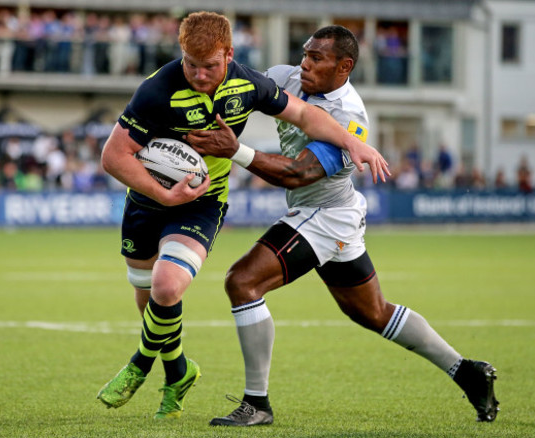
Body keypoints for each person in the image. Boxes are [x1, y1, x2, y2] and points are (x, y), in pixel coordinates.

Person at [186, 25, 499, 426]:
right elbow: (232, 85)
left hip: (326, 216)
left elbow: (299, 174)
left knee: (242, 282)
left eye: (318, 58)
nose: (305, 64)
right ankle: (468, 372)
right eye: (305, 54)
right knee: (373, 313)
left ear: (344, 66)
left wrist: (237, 151)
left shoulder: (350, 120)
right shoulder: (285, 77)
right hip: (329, 215)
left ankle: (257, 404)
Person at [96, 12, 389, 420]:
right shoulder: (157, 89)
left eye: (210, 66)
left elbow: (305, 115)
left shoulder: (248, 83)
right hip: (145, 203)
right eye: (190, 65)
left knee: (166, 287)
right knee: (148, 300)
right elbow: (113, 156)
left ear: (229, 54)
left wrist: (352, 143)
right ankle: (178, 371)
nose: (199, 75)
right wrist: (164, 191)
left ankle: (139, 365)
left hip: (202, 202)